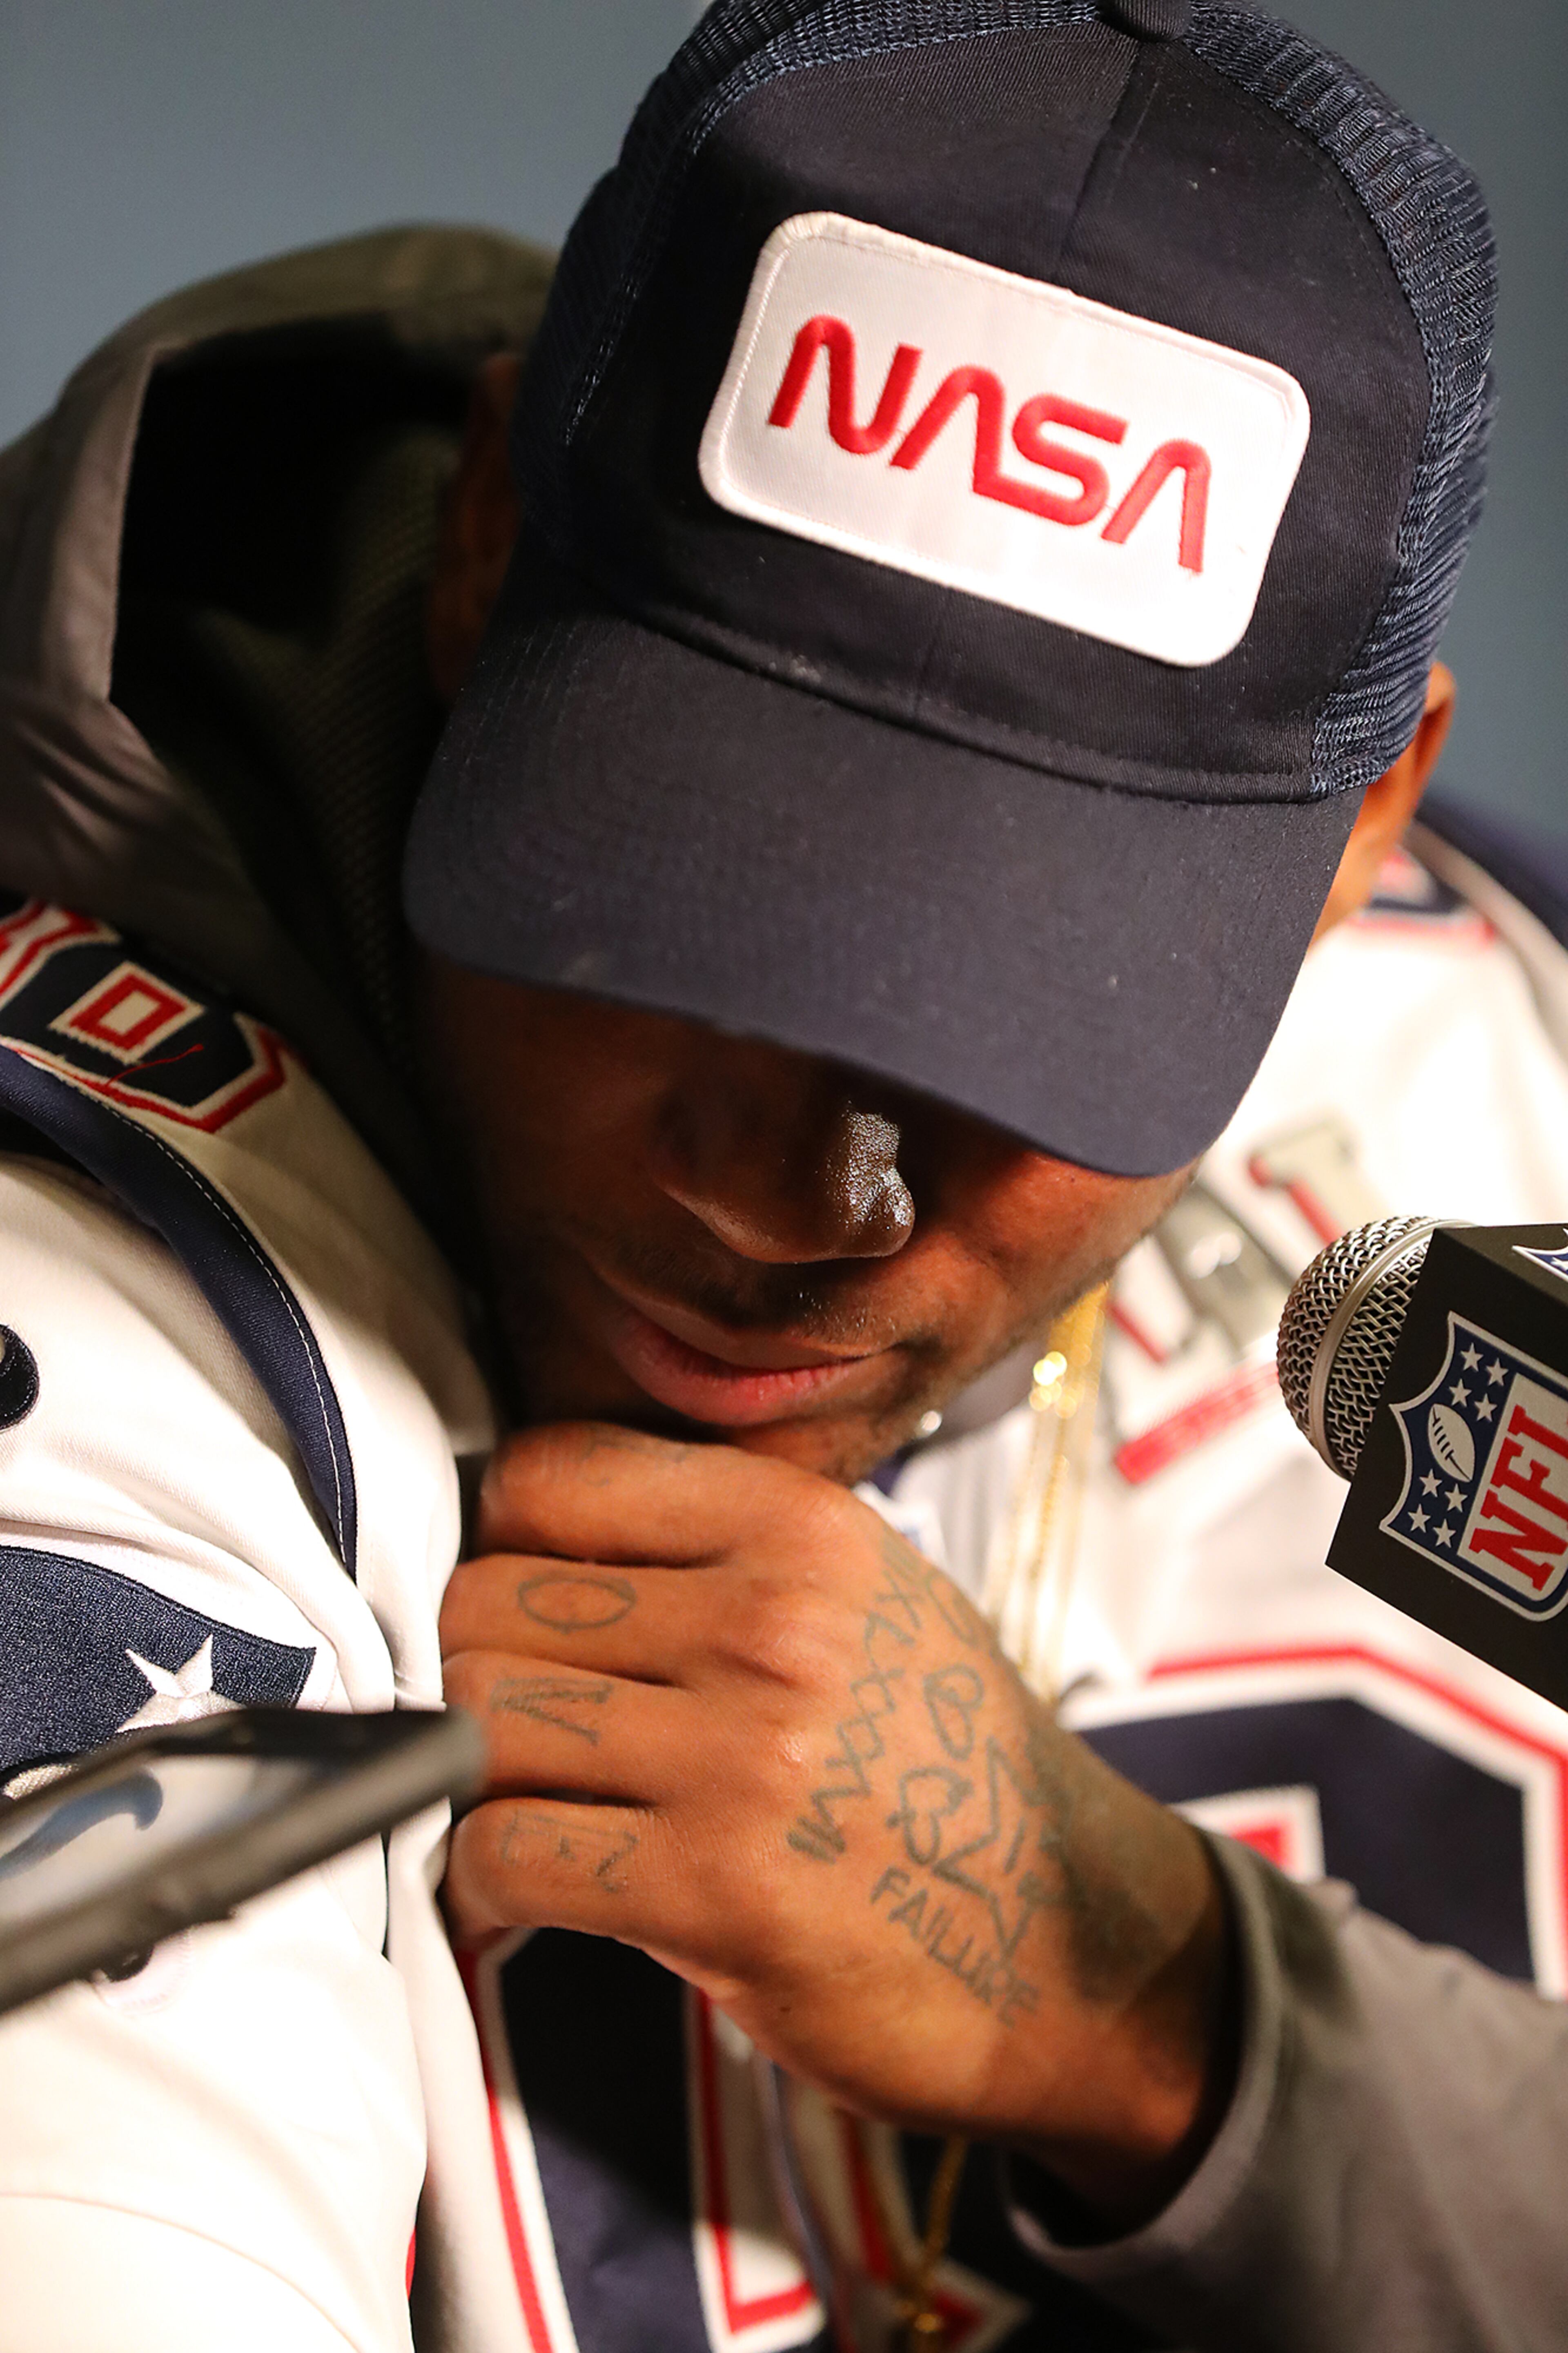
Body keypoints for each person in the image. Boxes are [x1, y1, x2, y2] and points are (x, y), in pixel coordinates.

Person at [1, 3, 1566, 2349]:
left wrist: (1163, 2012)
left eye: (1017, 1028)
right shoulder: (84, 1316)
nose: (800, 1200)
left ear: (1358, 834)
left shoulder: (1517, 1055)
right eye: (690, 927)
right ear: (486, 533)